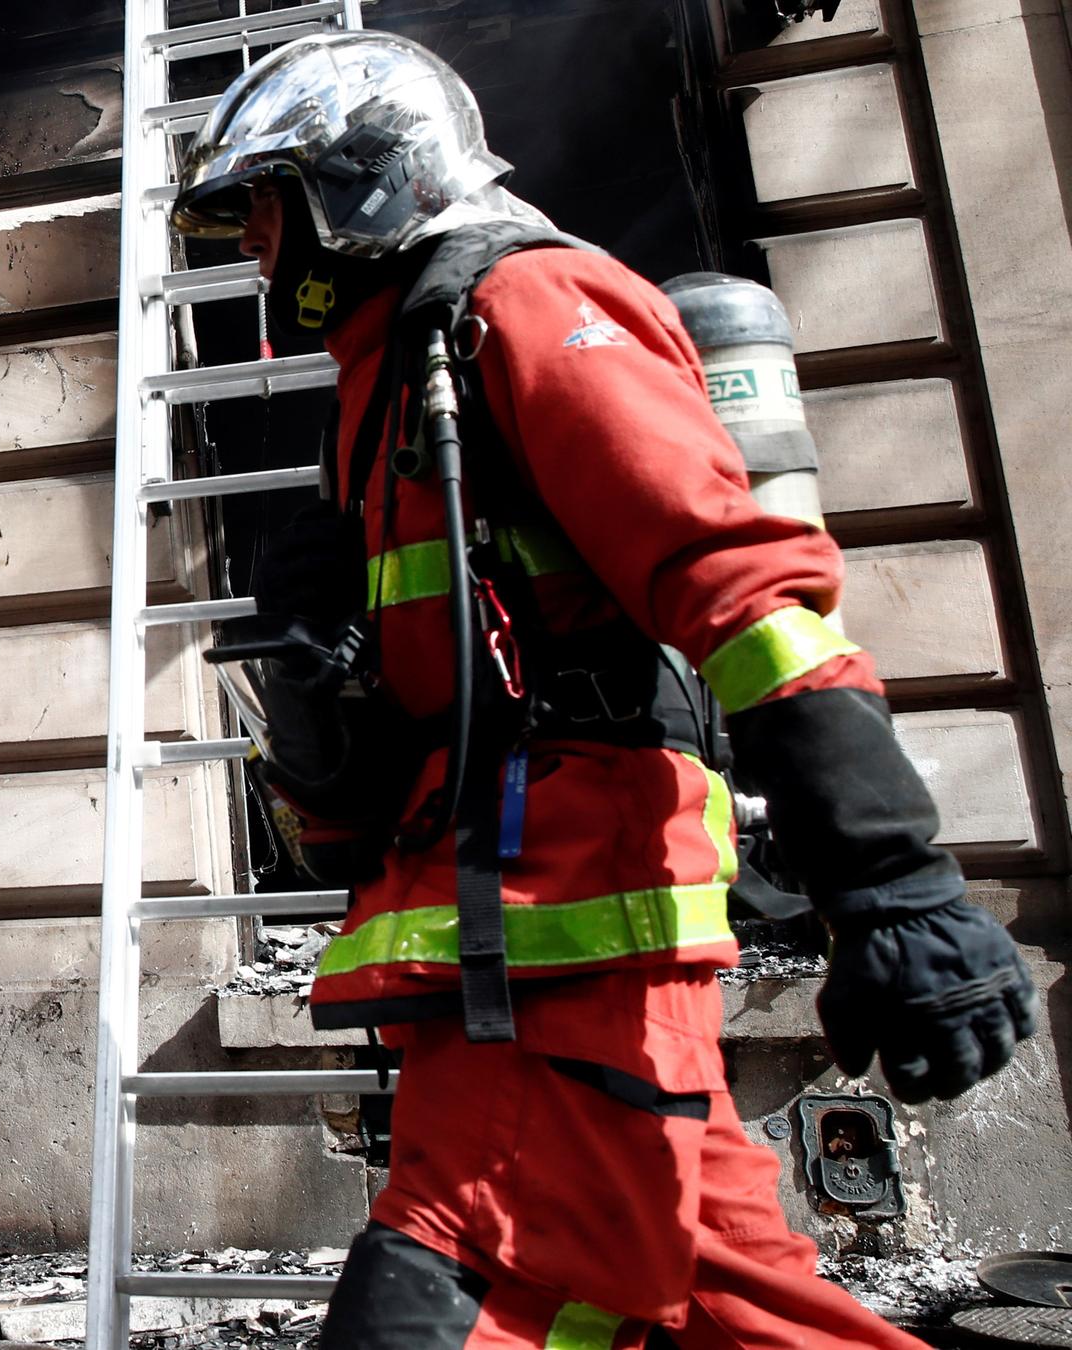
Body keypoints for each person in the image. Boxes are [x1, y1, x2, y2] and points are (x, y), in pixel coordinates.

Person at [171, 31, 1037, 1349]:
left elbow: (738, 589)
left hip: (565, 918)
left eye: (265, 206)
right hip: (509, 931)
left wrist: (893, 880)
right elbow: (433, 696)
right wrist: (319, 699)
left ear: (357, 182)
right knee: (717, 1299)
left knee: (466, 1274)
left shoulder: (528, 303)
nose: (250, 246)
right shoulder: (385, 376)